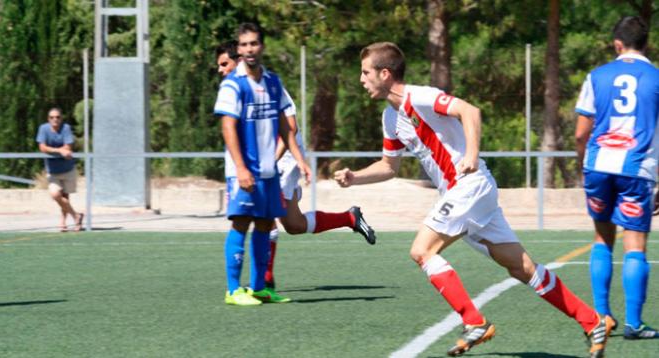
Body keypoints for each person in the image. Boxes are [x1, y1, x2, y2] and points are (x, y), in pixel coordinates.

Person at [334, 42, 614, 357]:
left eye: (365, 72)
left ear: (384, 74)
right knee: (520, 266)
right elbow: (389, 167)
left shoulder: (421, 97)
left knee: (421, 250)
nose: (361, 79)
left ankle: (474, 322)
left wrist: (471, 153)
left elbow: (470, 111)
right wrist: (355, 177)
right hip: (465, 193)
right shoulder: (390, 117)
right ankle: (592, 321)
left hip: (469, 185)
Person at [215, 39, 376, 290]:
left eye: (224, 63)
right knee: (295, 225)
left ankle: (265, 283)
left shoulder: (264, 84)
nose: (220, 69)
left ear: (238, 61)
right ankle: (349, 218)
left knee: (265, 215)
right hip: (271, 159)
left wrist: (266, 164)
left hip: (284, 157)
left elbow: (288, 129)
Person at [214, 23, 310, 306]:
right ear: (239, 50)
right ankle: (233, 290)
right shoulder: (233, 84)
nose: (248, 50)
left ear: (262, 46)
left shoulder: (273, 82)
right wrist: (241, 168)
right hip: (244, 170)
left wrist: (300, 159)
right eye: (243, 45)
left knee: (266, 225)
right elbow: (228, 127)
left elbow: (284, 123)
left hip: (270, 169)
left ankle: (258, 288)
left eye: (253, 44)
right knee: (241, 224)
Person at [575, 16, 659, 340]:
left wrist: (583, 162)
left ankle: (601, 317)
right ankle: (634, 324)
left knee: (602, 238)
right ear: (646, 45)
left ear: (617, 44)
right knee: (634, 244)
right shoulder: (655, 78)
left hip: (599, 165)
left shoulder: (596, 76)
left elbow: (582, 132)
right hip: (637, 168)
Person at [36, 108, 84, 232]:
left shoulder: (66, 128)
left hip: (67, 168)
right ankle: (76, 215)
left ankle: (63, 222)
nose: (55, 119)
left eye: (57, 117)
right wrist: (59, 150)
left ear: (61, 118)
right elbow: (42, 147)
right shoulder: (43, 128)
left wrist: (56, 149)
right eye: (52, 117)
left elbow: (68, 147)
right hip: (52, 170)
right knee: (55, 195)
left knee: (65, 198)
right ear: (48, 119)